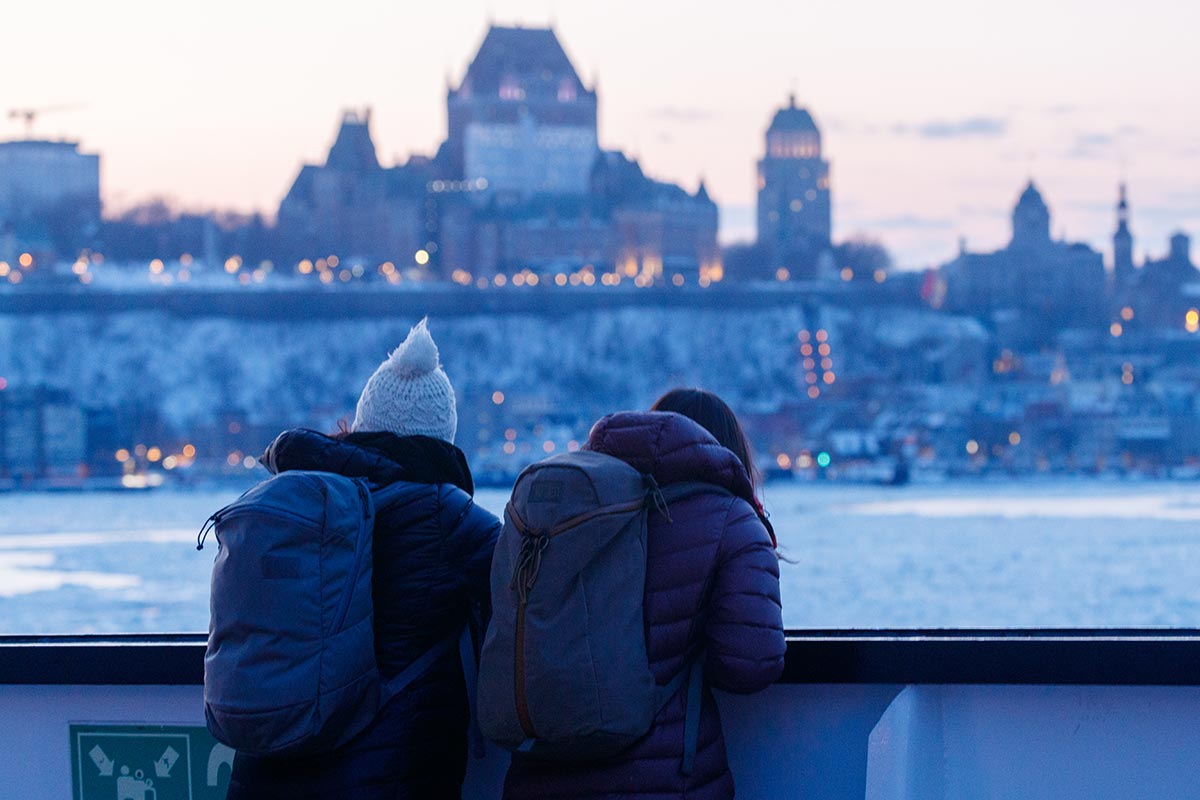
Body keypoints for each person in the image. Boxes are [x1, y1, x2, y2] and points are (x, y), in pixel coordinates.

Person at [226, 318, 501, 800]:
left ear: (362, 425)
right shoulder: (449, 518)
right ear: (443, 441)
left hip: (266, 771)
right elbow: (531, 597)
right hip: (388, 776)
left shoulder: (293, 501)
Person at [502, 387, 786, 799]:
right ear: (730, 450)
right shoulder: (731, 519)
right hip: (663, 780)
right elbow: (750, 663)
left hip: (538, 775)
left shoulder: (575, 503)